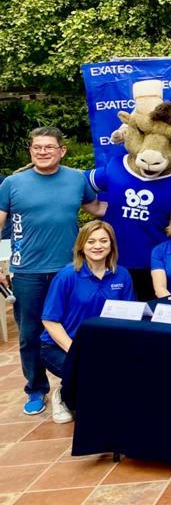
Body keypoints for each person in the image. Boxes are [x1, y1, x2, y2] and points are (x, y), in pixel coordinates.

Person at [0, 127, 102, 416]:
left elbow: (97, 209)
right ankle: (35, 389)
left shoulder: (76, 179)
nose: (42, 152)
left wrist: (151, 205)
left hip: (69, 270)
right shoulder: (12, 183)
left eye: (48, 147)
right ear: (30, 151)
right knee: (30, 334)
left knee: (71, 329)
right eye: (36, 147)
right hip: (27, 272)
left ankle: (67, 385)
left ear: (62, 150)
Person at [40, 221, 134, 423]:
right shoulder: (66, 276)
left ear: (111, 245)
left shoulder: (123, 275)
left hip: (102, 344)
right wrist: (76, 350)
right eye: (91, 241)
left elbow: (129, 316)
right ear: (82, 245)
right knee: (89, 371)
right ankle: (64, 397)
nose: (97, 246)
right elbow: (49, 321)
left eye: (103, 240)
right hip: (59, 346)